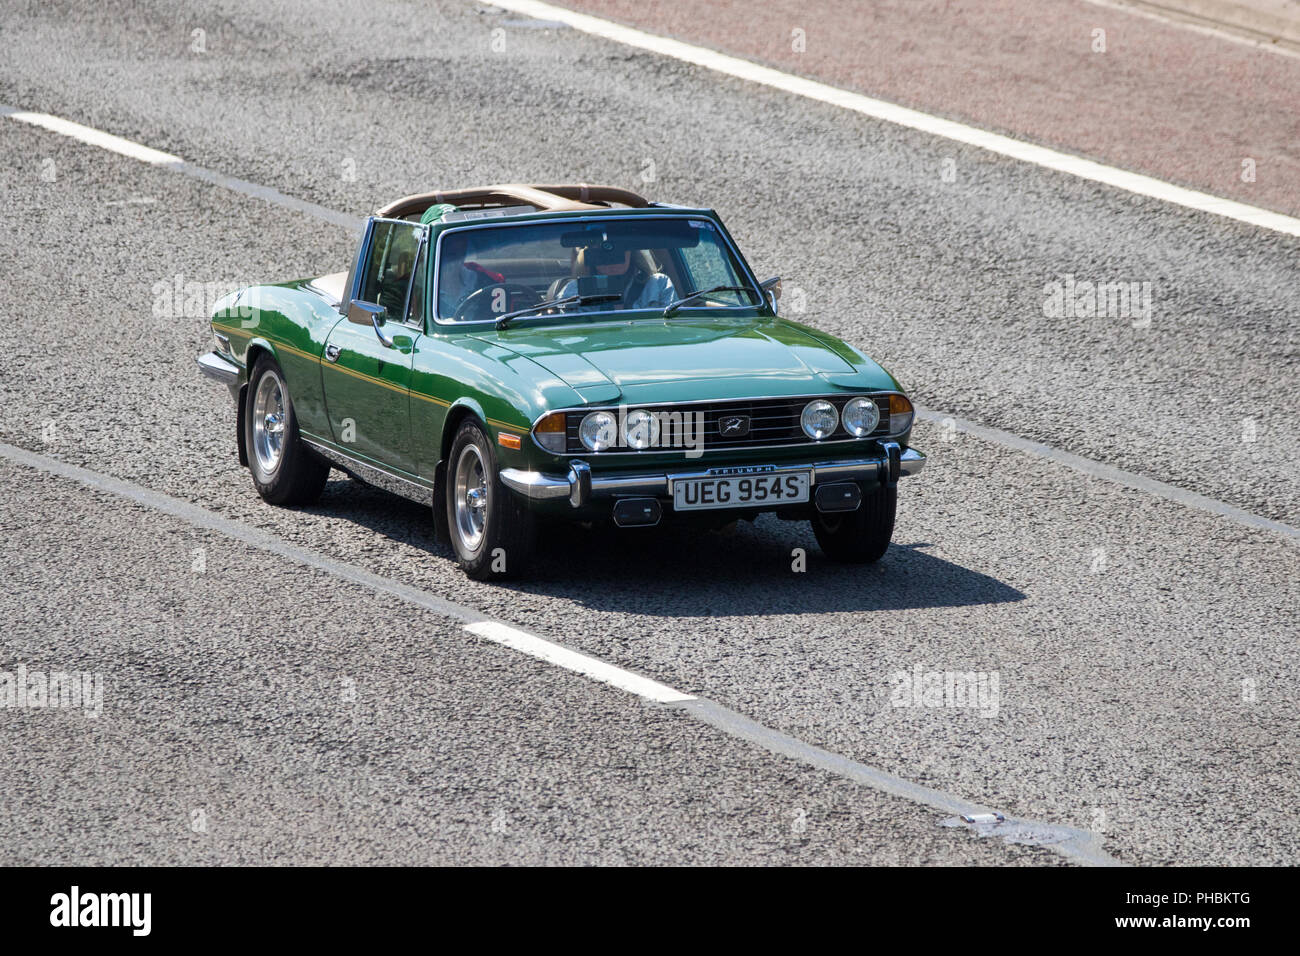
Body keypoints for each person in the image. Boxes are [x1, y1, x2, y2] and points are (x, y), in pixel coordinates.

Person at [551, 244, 675, 312]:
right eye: (601, 250)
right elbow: (569, 334)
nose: (610, 258)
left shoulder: (658, 284)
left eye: (618, 249)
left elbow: (674, 326)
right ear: (589, 256)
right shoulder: (575, 291)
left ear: (631, 252)